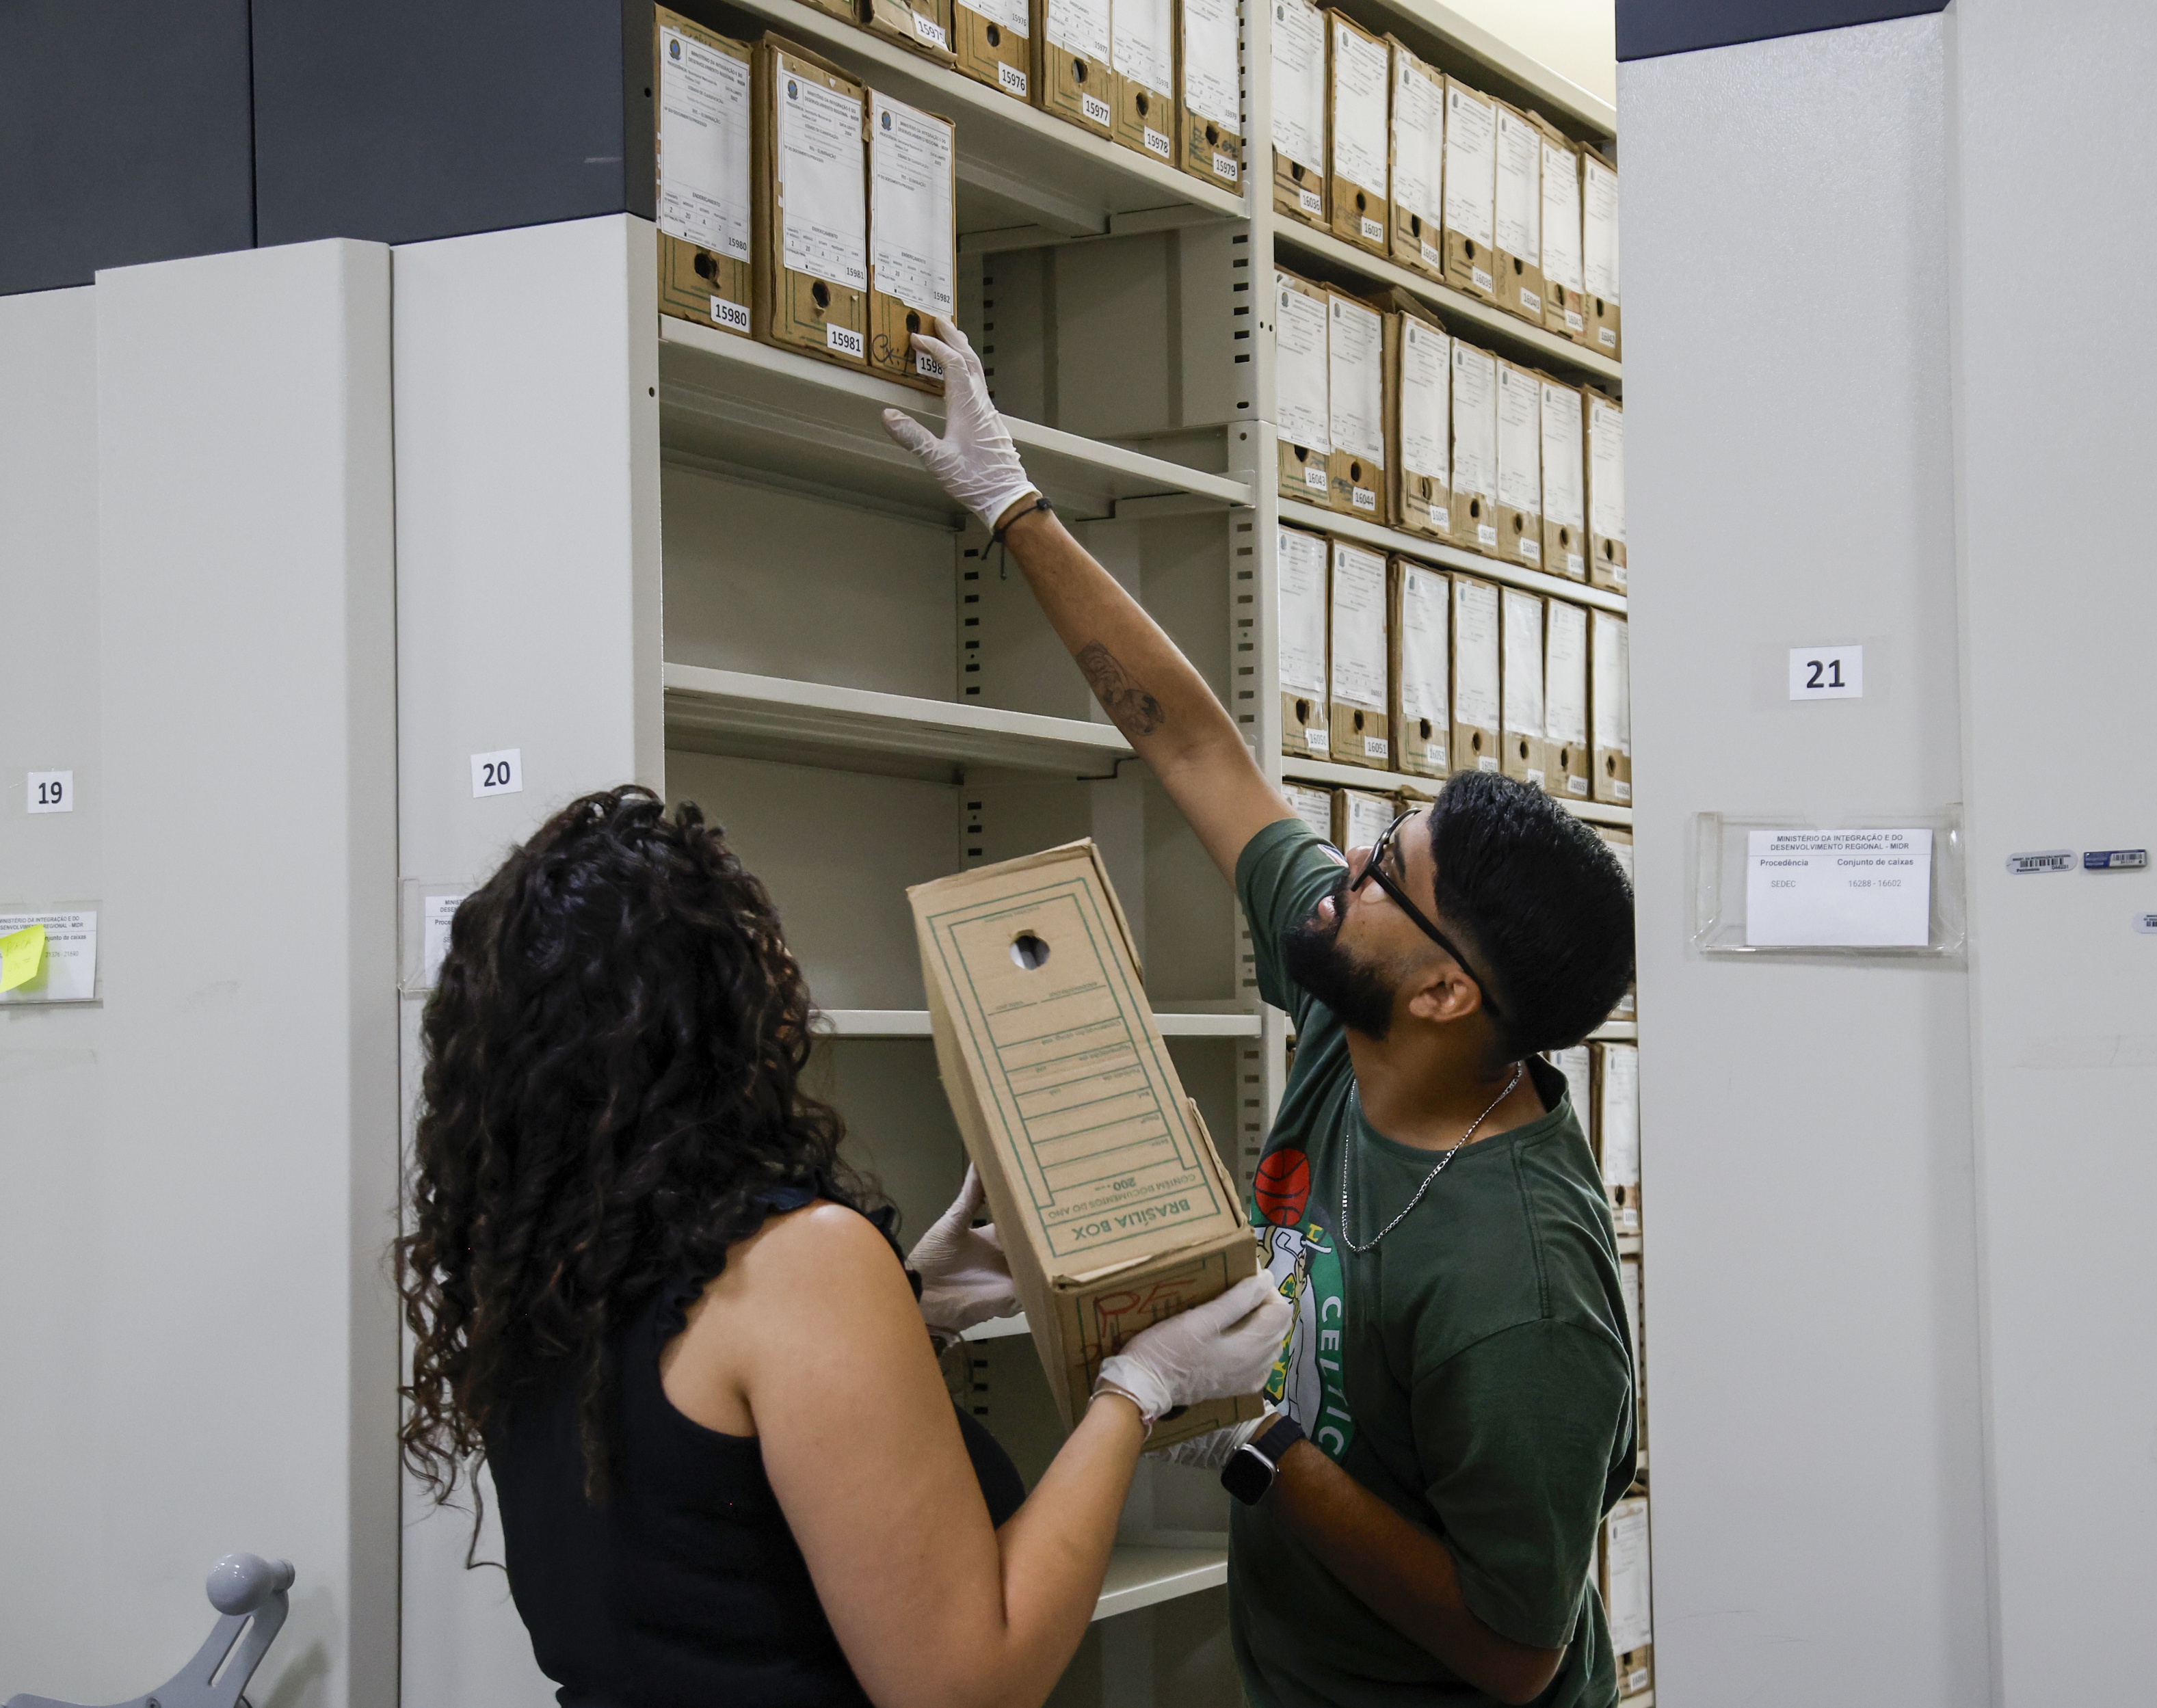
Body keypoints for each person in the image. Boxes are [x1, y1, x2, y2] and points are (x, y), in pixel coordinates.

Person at [884, 330, 1641, 1708]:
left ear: (1446, 990)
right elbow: (1190, 742)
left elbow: (1516, 1649)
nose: (1339, 866)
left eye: (1380, 875)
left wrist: (1251, 1447)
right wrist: (1013, 506)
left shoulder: (1522, 1292)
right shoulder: (1358, 1000)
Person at [395, 788, 1293, 1708]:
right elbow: (966, 1685)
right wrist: (1139, 1390)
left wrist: (906, 1316)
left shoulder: (542, 1262)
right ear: (720, 1017)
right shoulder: (799, 1260)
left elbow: (708, 1509)